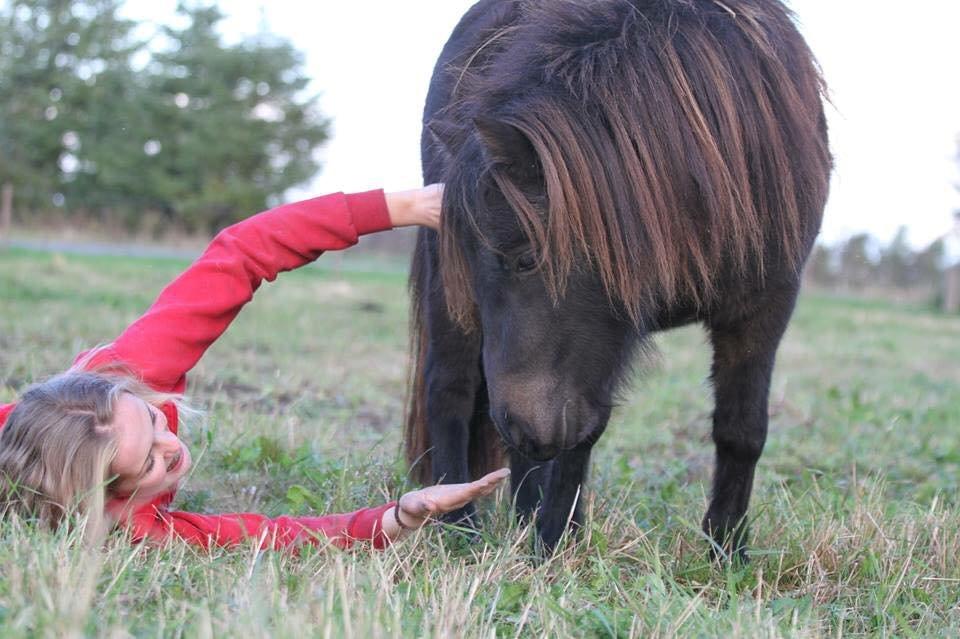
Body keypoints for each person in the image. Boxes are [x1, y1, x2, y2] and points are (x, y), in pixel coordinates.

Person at [0, 185, 510, 550]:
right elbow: (266, 535)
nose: (173, 445)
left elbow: (241, 253)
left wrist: (400, 207)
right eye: (150, 463)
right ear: (107, 500)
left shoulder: (136, 375)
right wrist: (395, 517)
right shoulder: (134, 527)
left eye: (155, 424)